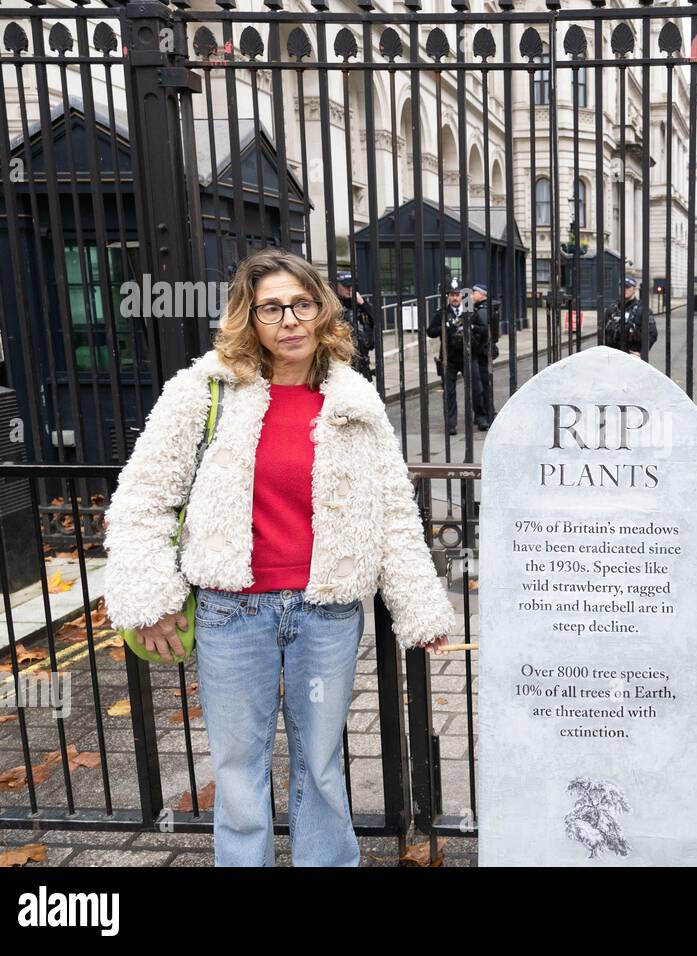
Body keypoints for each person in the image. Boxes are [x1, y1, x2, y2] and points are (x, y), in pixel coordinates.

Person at [102, 247, 455, 867]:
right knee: (239, 768)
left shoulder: (354, 400)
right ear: (249, 317)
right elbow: (143, 498)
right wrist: (149, 599)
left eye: (302, 303)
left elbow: (394, 514)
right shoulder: (204, 392)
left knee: (320, 765)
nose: (290, 319)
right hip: (232, 613)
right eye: (272, 308)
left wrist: (421, 609)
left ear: (322, 310)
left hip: (327, 614)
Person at [427, 277, 483, 436]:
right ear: (448, 296)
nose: (455, 298)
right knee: (449, 393)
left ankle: (480, 418)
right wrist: (444, 326)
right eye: (452, 295)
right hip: (449, 358)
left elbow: (483, 329)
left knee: (476, 390)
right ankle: (451, 424)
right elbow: (430, 332)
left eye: (457, 294)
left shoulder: (470, 311)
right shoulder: (442, 313)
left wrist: (472, 327)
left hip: (468, 356)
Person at [335, 270, 377, 382]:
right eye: (346, 286)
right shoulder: (333, 306)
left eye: (352, 286)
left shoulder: (361, 305)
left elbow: (377, 322)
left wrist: (363, 304)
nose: (350, 289)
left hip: (362, 360)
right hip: (342, 362)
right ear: (337, 286)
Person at [602, 276, 658, 358]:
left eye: (627, 287)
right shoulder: (612, 309)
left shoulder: (642, 309)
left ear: (634, 289)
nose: (624, 289)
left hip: (631, 356)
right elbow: (605, 332)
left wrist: (642, 353)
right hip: (612, 355)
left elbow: (652, 334)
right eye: (622, 287)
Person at [469, 282, 498, 430]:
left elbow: (483, 331)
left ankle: (485, 414)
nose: (471, 295)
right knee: (485, 384)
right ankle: (488, 412)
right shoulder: (486, 308)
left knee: (481, 385)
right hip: (486, 350)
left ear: (481, 294)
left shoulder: (481, 311)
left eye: (474, 292)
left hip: (481, 352)